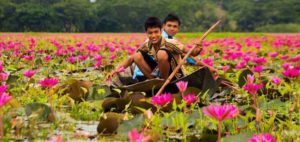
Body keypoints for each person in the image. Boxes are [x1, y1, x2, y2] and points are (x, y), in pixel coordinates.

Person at [106, 17, 203, 81]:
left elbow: (192, 53)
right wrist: (114, 71)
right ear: (146, 33)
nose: (153, 36)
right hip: (158, 76)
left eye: (156, 32)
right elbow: (131, 59)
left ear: (161, 31)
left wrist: (198, 48)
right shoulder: (147, 45)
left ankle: (165, 82)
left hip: (175, 76)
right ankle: (154, 82)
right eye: (150, 33)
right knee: (137, 55)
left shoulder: (171, 42)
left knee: (161, 53)